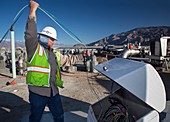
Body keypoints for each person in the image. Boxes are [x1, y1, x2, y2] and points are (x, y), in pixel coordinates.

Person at [25, 1, 89, 122]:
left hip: (53, 92)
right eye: (52, 39)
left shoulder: (54, 53)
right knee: (35, 118)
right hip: (37, 93)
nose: (53, 42)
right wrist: (32, 11)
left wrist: (81, 56)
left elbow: (68, 60)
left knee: (59, 116)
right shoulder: (34, 49)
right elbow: (30, 34)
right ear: (44, 37)